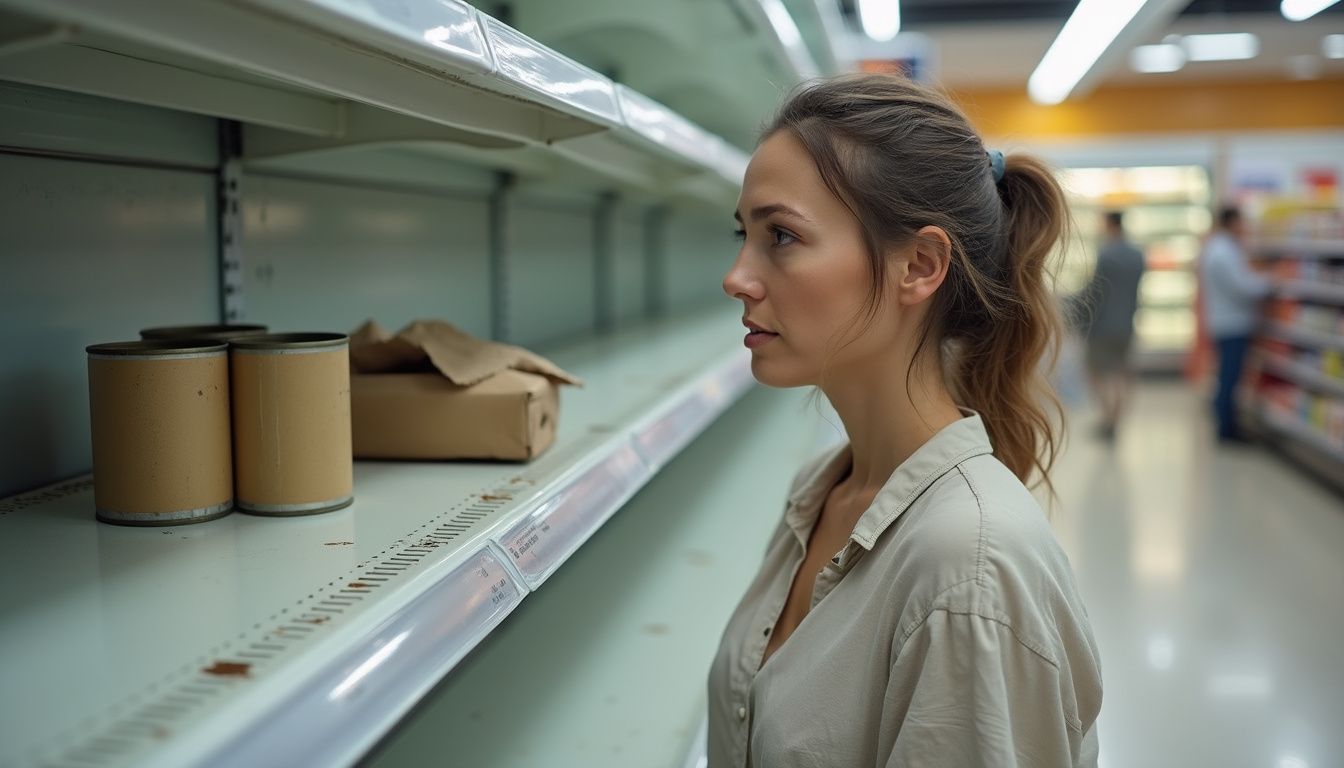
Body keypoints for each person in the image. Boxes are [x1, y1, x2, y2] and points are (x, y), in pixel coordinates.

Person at [712, 74, 1101, 767]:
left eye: (782, 236)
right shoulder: (822, 491)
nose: (736, 276)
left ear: (918, 266)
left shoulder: (968, 569)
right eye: (743, 234)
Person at [1200, 206, 1269, 442]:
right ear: (1231, 222)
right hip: (1232, 325)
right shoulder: (1223, 252)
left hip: (1225, 322)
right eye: (1241, 221)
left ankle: (1226, 424)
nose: (1244, 227)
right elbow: (1242, 287)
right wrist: (1270, 282)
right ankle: (1227, 429)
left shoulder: (1218, 248)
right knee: (1229, 378)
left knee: (1226, 376)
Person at [1082, 211, 1146, 442]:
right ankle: (1115, 419)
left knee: (1095, 372)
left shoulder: (1106, 255)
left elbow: (1096, 293)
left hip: (1102, 325)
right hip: (1127, 323)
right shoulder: (1138, 255)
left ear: (1109, 225)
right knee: (1121, 374)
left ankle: (1107, 416)